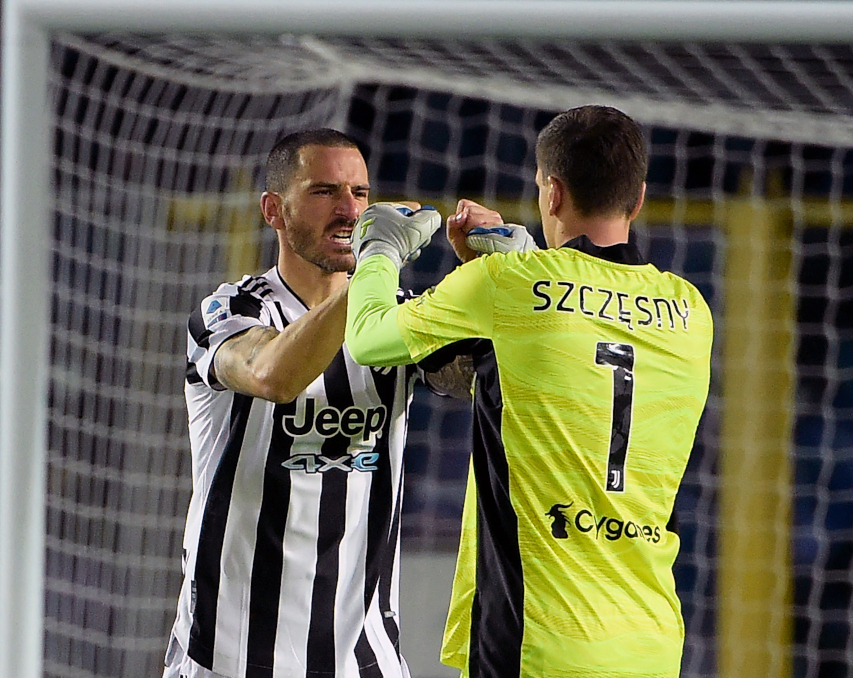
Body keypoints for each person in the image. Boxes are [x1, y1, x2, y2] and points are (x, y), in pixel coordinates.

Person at [344, 105, 714, 678]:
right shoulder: (691, 310)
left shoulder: (507, 285)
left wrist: (378, 252)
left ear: (553, 192)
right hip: (650, 640)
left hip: (538, 641)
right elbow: (577, 341)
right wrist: (520, 261)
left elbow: (368, 339)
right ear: (637, 199)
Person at [164, 128, 470, 678]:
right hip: (233, 655)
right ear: (273, 211)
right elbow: (272, 374)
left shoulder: (396, 317)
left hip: (363, 657)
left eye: (359, 193)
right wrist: (373, 269)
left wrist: (490, 278)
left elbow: (470, 381)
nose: (349, 210)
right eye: (325, 192)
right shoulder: (229, 311)